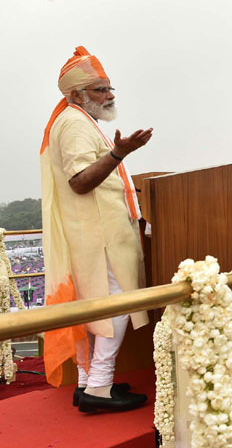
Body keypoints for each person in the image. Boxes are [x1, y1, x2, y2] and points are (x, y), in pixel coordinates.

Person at [40, 46, 153, 413]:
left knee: (97, 307)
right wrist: (119, 154)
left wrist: (117, 153)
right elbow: (79, 182)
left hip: (97, 233)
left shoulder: (80, 122)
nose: (110, 95)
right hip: (98, 234)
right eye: (100, 90)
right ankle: (99, 387)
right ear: (76, 95)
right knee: (116, 304)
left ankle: (90, 382)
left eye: (109, 88)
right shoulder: (73, 123)